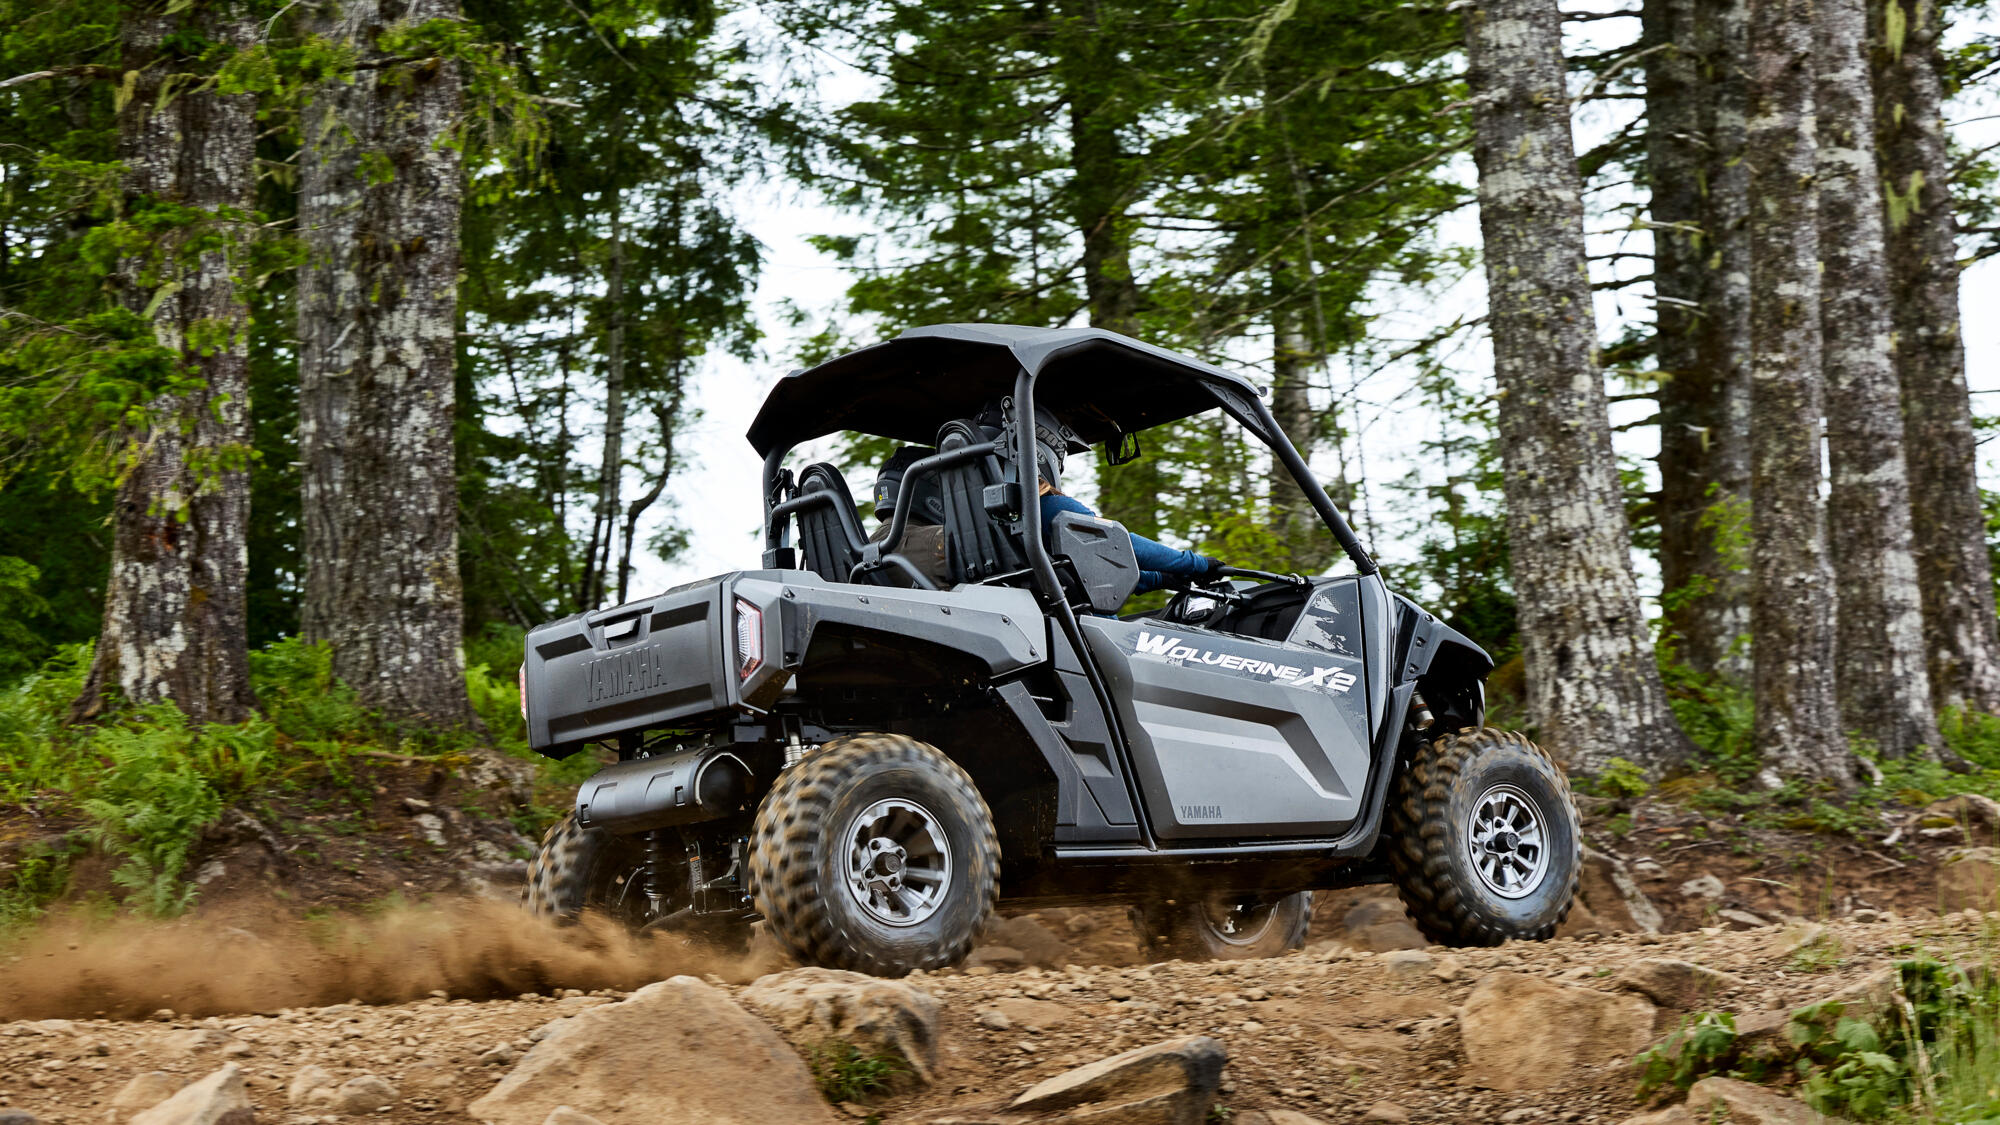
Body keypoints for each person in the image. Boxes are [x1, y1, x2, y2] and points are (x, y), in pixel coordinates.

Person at [1006, 402, 1224, 595]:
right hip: (1079, 624)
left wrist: (1159, 578)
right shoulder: (1049, 508)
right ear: (1039, 453)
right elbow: (1118, 545)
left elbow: (1090, 568)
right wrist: (1198, 564)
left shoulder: (999, 521)